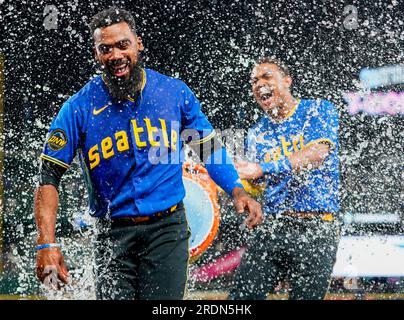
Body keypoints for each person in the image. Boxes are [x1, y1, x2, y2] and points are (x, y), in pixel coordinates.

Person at [34, 7, 263, 300]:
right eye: (105, 49)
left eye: (122, 45)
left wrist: (237, 190)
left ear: (138, 44)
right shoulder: (78, 107)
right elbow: (49, 176)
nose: (115, 55)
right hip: (112, 235)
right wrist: (46, 244)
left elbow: (207, 148)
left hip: (167, 231)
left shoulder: (174, 93)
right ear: (96, 54)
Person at [229, 57, 341, 300]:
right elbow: (258, 182)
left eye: (266, 77)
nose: (259, 84)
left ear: (287, 81)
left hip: (318, 228)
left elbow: (316, 154)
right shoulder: (257, 132)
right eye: (254, 81)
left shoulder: (317, 109)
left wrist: (261, 168)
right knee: (240, 298)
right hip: (273, 226)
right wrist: (245, 192)